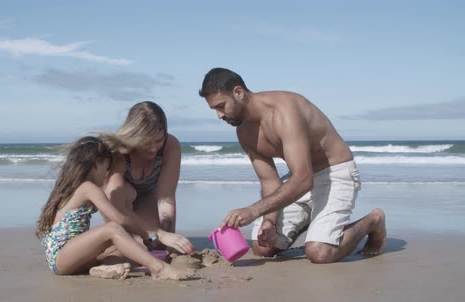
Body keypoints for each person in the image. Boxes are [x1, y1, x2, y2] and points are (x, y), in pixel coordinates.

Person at [198, 68, 386, 264]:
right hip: (299, 180)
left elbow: (304, 179)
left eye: (221, 106)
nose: (219, 116)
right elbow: (269, 181)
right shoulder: (244, 131)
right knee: (263, 247)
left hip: (334, 174)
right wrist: (269, 220)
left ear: (238, 93)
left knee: (319, 252)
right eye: (214, 110)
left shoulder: (284, 111)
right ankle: (310, 222)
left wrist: (253, 211)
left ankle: (373, 221)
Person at [36, 136, 193, 280]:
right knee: (113, 229)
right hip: (62, 258)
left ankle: (104, 269)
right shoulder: (87, 188)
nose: (106, 174)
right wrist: (148, 235)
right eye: (106, 168)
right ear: (97, 163)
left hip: (74, 258)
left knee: (120, 247)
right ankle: (159, 269)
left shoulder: (72, 188)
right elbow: (119, 218)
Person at [99, 101, 194, 255]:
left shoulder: (170, 145)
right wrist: (160, 235)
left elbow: (166, 197)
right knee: (132, 243)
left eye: (158, 140)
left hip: (148, 197)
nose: (153, 148)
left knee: (155, 245)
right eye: (147, 142)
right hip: (118, 204)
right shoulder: (121, 153)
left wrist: (168, 237)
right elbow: (114, 204)